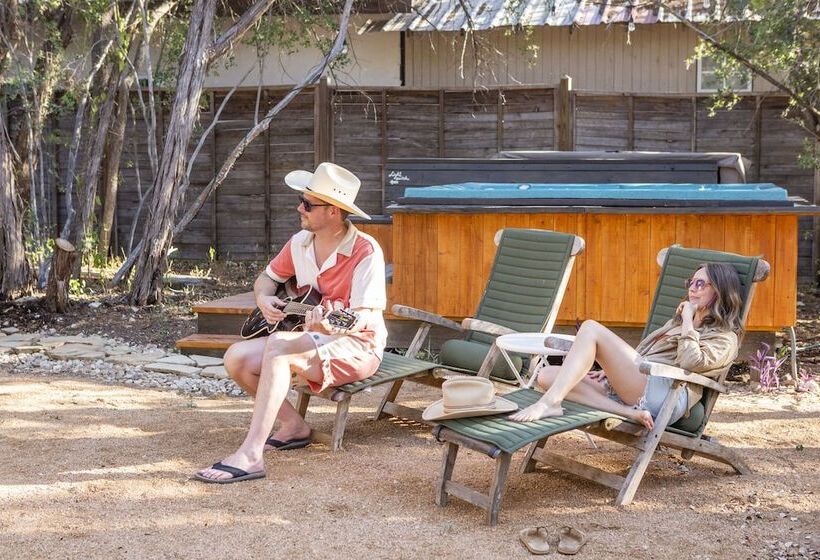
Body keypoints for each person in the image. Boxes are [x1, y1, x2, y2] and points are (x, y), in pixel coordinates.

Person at [195, 162, 387, 483]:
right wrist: (263, 300)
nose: (300, 207)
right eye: (302, 200)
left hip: (356, 344)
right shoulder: (300, 242)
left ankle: (251, 454)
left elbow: (363, 318)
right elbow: (266, 280)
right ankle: (294, 426)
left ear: (334, 212)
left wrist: (327, 325)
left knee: (280, 346)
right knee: (236, 358)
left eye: (308, 204)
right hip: (308, 339)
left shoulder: (366, 251)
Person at [510, 262, 744, 427]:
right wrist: (610, 371)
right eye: (691, 282)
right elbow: (641, 354)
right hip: (640, 386)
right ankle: (626, 413)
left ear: (720, 291)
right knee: (547, 375)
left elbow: (691, 362)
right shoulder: (675, 324)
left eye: (701, 283)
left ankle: (549, 402)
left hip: (667, 393)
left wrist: (687, 321)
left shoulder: (725, 337)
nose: (692, 288)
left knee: (591, 327)